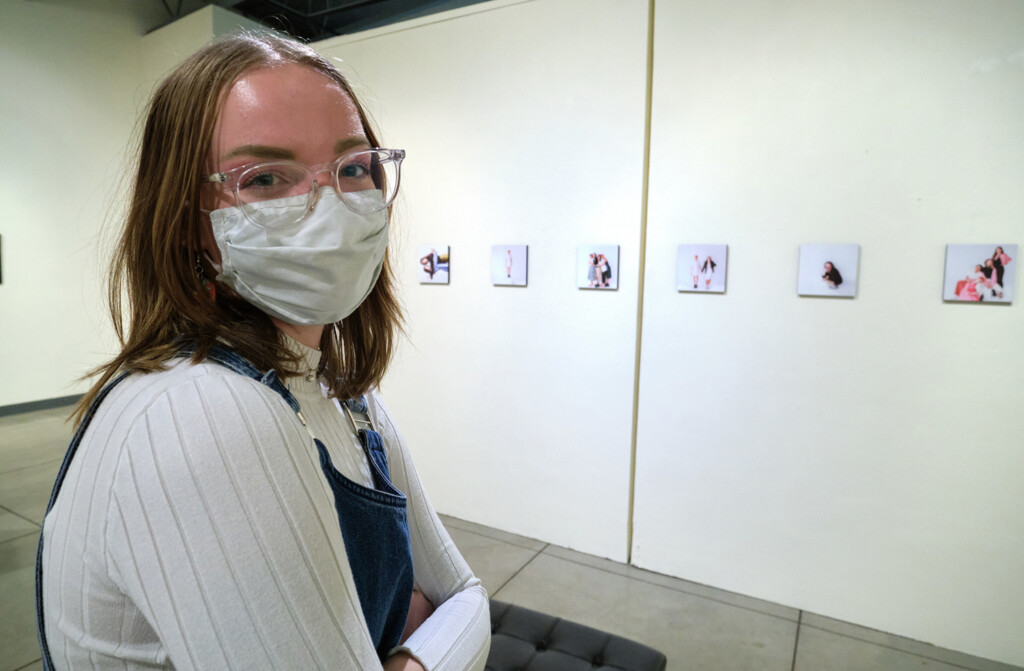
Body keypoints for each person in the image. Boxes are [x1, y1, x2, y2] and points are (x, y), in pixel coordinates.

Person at [37, 33, 489, 671]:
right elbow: (444, 611)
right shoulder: (201, 412)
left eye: (353, 167)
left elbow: (468, 596)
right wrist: (413, 628)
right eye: (266, 178)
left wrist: (403, 660)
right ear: (184, 216)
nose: (328, 206)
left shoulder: (342, 393)